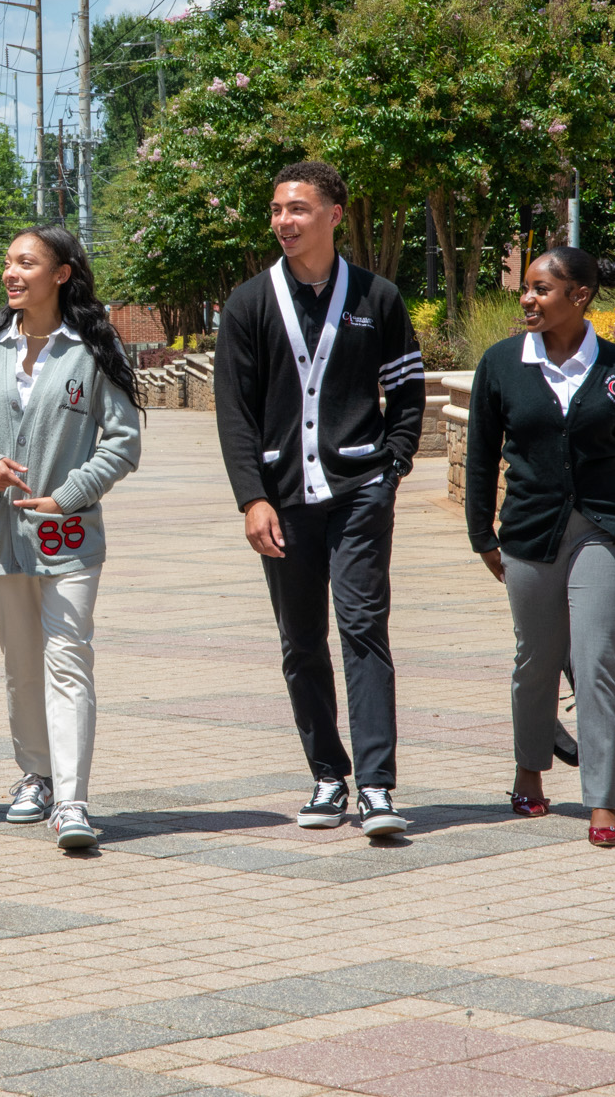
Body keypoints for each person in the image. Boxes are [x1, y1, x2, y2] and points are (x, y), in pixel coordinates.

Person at [214, 161, 425, 837]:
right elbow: (234, 413)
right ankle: (328, 775)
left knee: (363, 627)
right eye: (277, 210)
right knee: (301, 639)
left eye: (299, 209)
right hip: (283, 500)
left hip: (361, 491)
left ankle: (378, 786)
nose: (284, 221)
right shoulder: (248, 304)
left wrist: (392, 467)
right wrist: (252, 497)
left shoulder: (378, 297)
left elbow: (408, 389)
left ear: (335, 213)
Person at [0, 226, 142, 851]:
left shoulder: (93, 347)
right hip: (0, 532)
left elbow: (123, 441)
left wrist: (69, 495)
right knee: (21, 664)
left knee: (68, 660)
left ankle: (73, 800)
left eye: (26, 263)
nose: (11, 273)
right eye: (7, 262)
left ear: (60, 273)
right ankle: (33, 774)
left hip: (71, 534)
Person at [465, 246, 615, 849]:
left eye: (541, 289)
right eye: (526, 288)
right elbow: (481, 455)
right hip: (528, 532)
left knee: (598, 658)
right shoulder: (500, 365)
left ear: (579, 297)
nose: (527, 298)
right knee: (536, 659)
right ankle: (528, 771)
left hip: (604, 530)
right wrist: (480, 536)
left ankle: (603, 802)